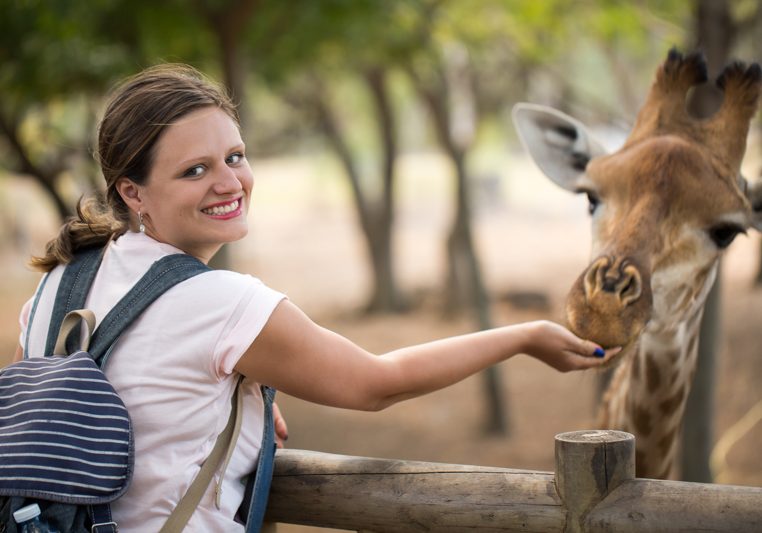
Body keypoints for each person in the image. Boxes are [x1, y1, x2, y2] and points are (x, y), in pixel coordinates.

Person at [13, 64, 616, 531]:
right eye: (194, 171)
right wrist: (524, 336)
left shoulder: (56, 285)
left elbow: (113, 406)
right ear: (133, 192)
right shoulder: (218, 303)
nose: (229, 182)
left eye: (235, 156)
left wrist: (236, 395)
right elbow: (377, 383)